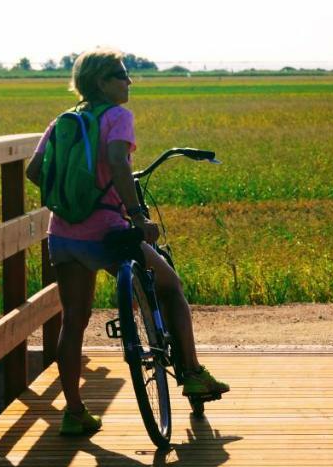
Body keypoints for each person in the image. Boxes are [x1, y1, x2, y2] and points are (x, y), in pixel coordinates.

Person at [25, 47, 229, 436]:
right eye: (121, 74)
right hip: (107, 233)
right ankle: (192, 372)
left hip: (63, 236)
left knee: (73, 320)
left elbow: (35, 171)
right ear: (102, 82)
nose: (129, 81)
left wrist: (70, 200)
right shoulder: (118, 117)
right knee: (171, 286)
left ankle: (74, 412)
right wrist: (136, 216)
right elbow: (119, 163)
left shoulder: (63, 121)